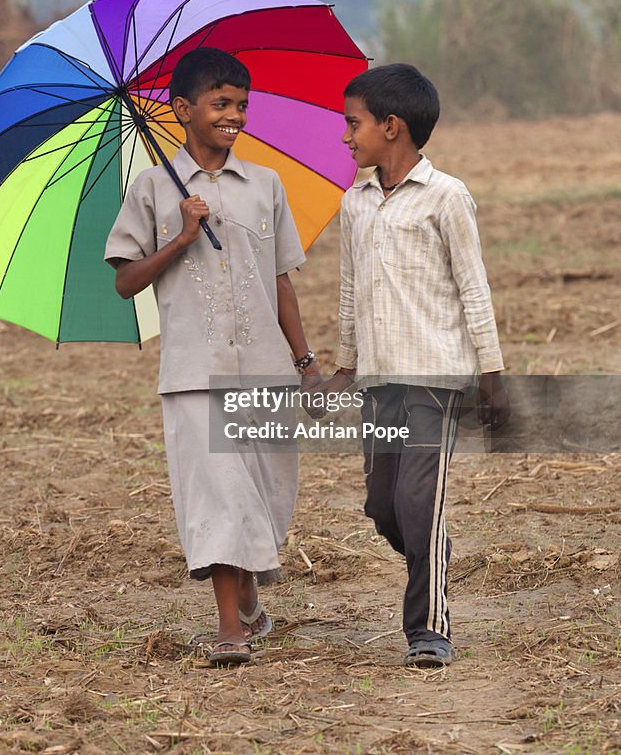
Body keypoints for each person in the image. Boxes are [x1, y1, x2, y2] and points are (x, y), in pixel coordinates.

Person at [104, 47, 319, 666]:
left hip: (266, 370)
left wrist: (304, 363)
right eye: (221, 103)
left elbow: (281, 279)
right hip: (195, 373)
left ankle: (250, 601)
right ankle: (230, 628)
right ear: (182, 110)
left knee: (267, 494)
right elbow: (125, 282)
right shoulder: (151, 190)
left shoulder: (266, 186)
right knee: (219, 496)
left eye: (242, 106)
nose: (234, 116)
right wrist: (181, 236)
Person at [320, 63, 510, 668]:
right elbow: (350, 291)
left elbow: (474, 289)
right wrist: (345, 367)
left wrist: (492, 373)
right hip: (379, 381)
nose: (346, 137)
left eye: (354, 124)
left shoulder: (447, 197)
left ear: (392, 126)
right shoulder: (355, 202)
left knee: (418, 499)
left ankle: (429, 627)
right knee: (384, 506)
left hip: (435, 377)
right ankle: (433, 549)